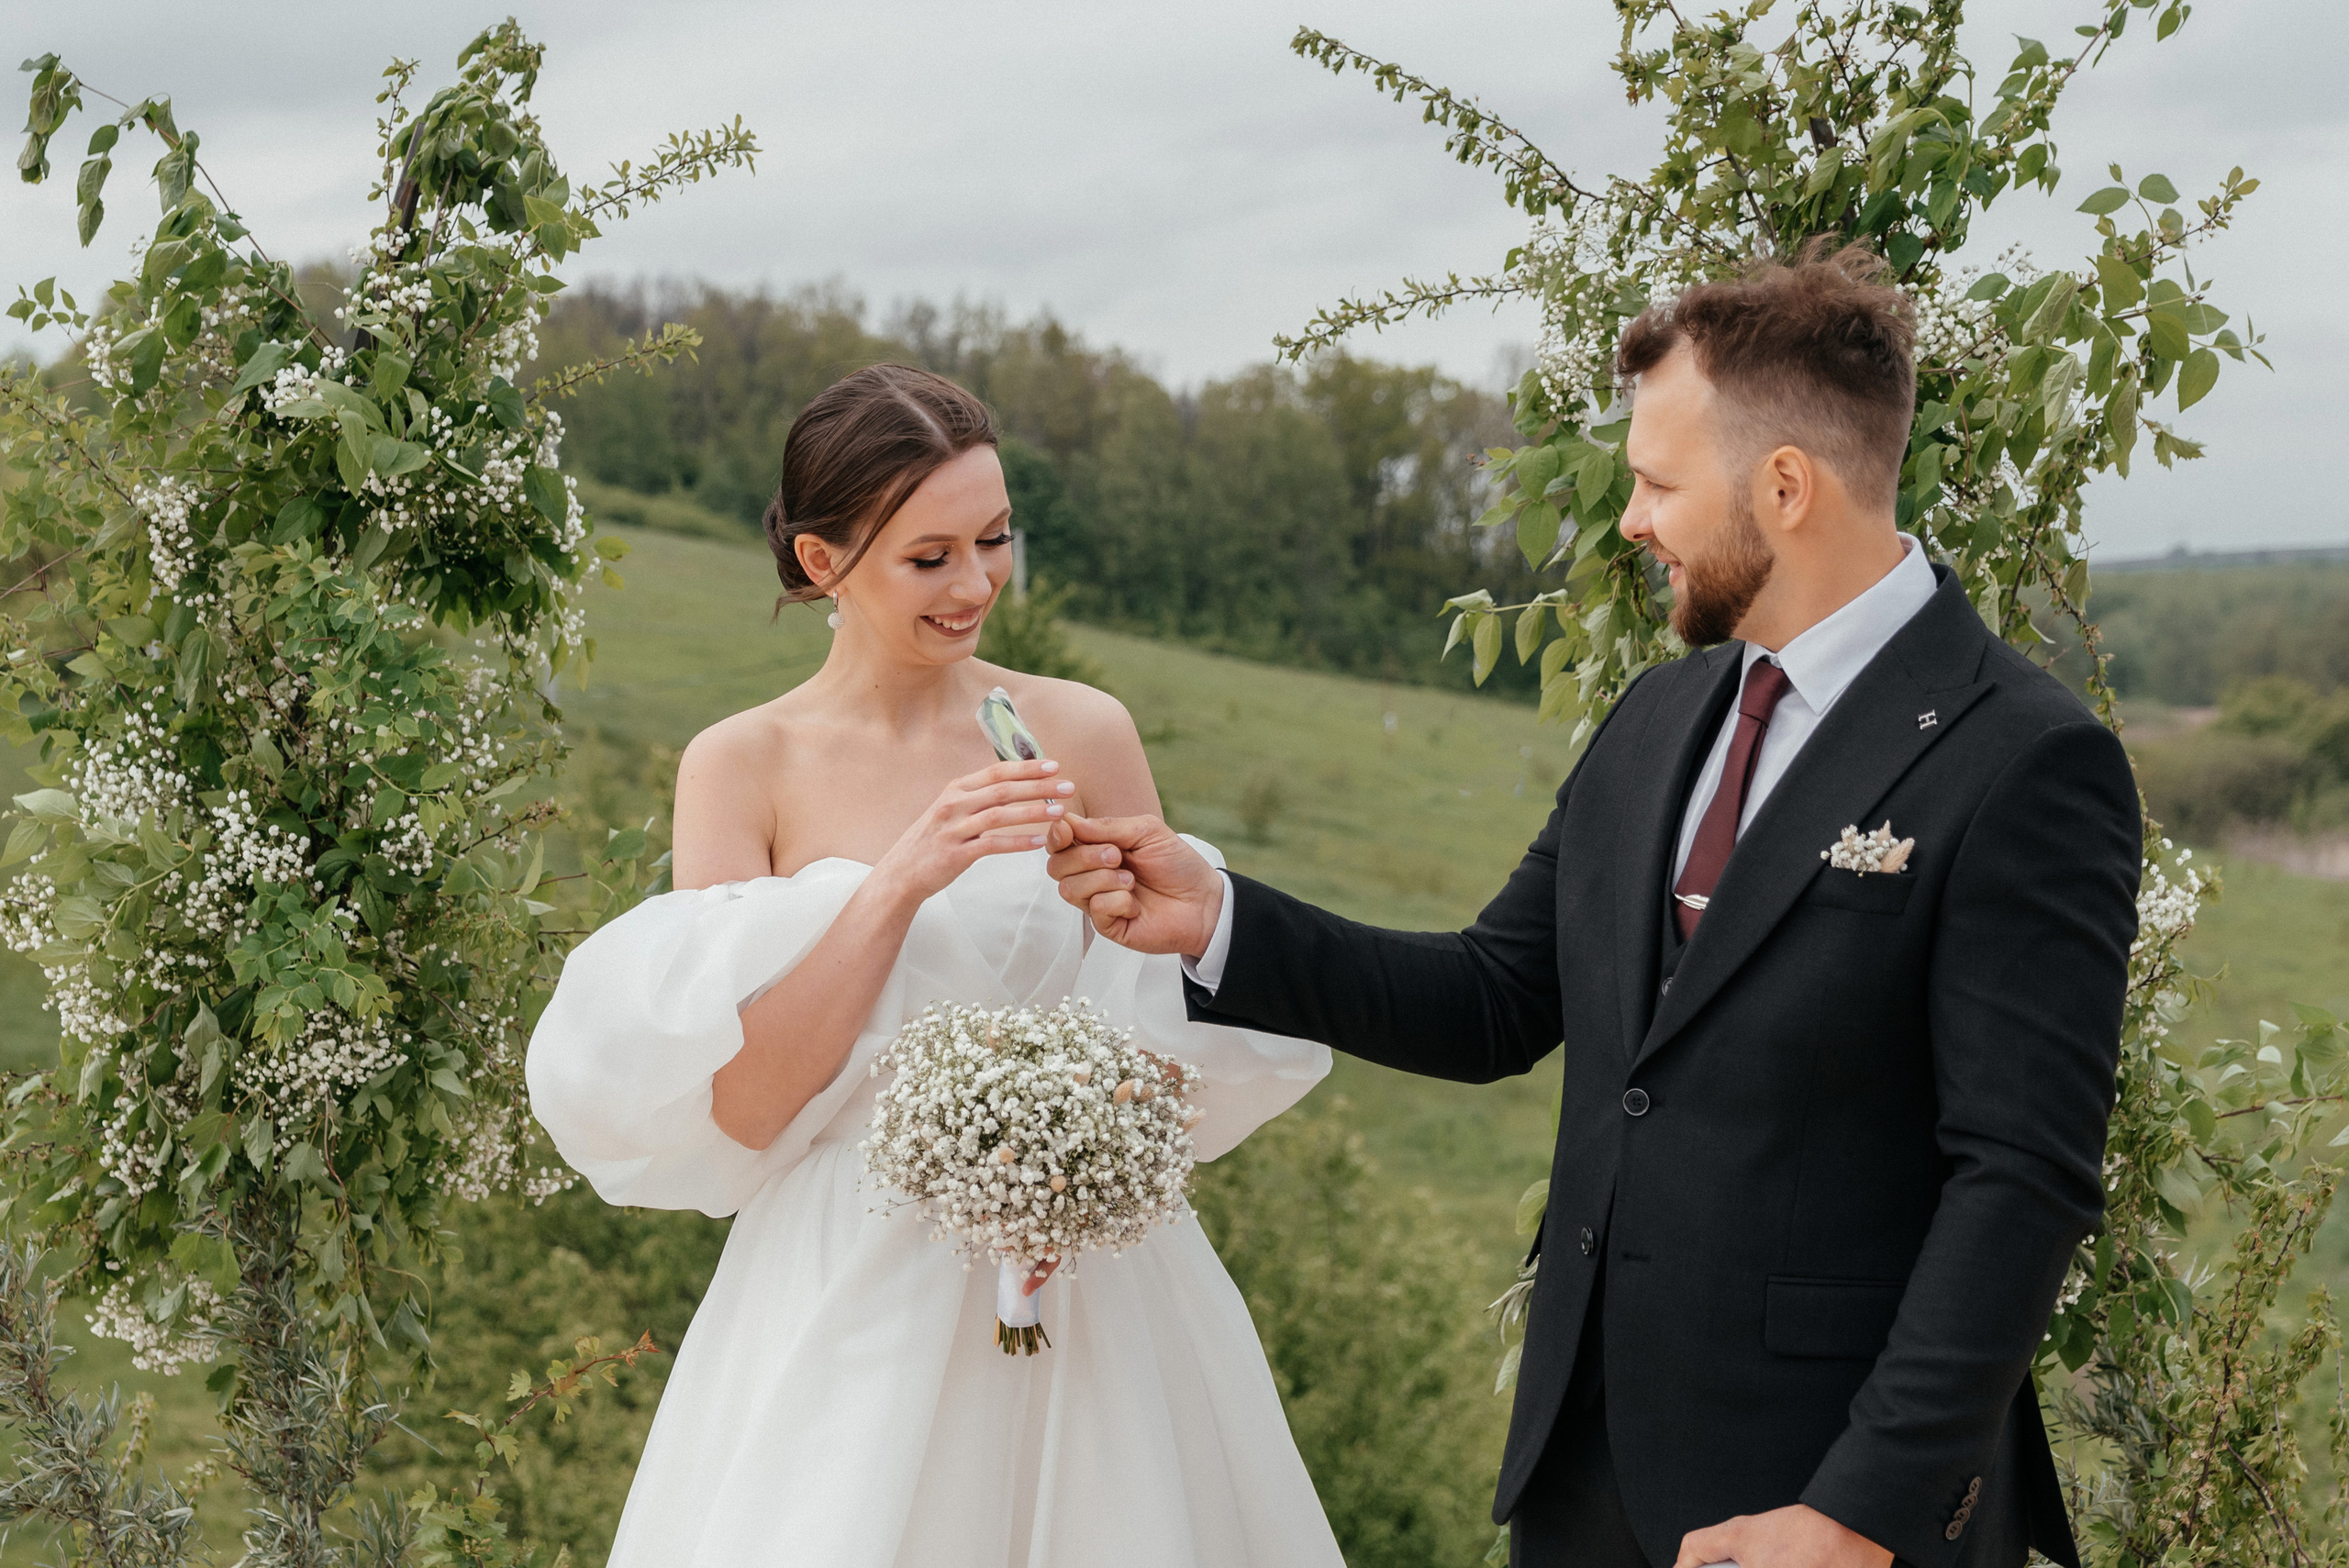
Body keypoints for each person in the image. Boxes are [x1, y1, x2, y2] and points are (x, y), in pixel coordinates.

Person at [1043, 245, 2141, 1568]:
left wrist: (1859, 1511)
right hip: (1584, 1482)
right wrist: (1214, 914)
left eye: (1658, 482)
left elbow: (2020, 1177)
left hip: (1828, 1505)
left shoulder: (2024, 757)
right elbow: (1493, 997)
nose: (1633, 519)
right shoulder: (1659, 716)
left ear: (1785, 486)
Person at [526, 364, 1344, 1568]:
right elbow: (749, 1107)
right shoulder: (741, 766)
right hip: (843, 1282)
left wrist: (1091, 1155)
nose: (977, 584)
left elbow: (1159, 1026)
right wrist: (899, 879)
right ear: (821, 562)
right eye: (930, 556)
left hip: (1089, 1288)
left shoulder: (1080, 731)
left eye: (995, 539)